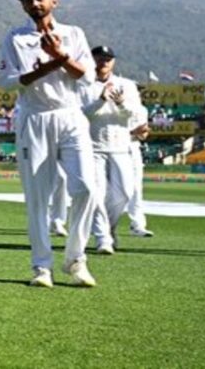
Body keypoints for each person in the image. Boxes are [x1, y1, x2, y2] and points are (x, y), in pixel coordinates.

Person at [0, 0, 98, 288]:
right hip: (34, 118)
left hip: (70, 115)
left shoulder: (74, 33)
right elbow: (8, 82)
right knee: (38, 198)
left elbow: (88, 77)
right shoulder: (15, 38)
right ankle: (42, 267)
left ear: (54, 0)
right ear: (23, 6)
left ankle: (75, 259)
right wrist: (52, 64)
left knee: (86, 189)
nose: (34, 3)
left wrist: (60, 56)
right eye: (27, 0)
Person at [80, 46, 149, 255]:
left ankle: (107, 227)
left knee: (125, 193)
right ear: (92, 60)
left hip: (120, 145)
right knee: (97, 192)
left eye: (108, 59)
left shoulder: (127, 85)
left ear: (114, 62)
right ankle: (103, 239)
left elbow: (134, 115)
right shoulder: (82, 85)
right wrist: (101, 100)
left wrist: (120, 103)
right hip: (93, 146)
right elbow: (81, 114)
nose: (104, 62)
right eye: (100, 58)